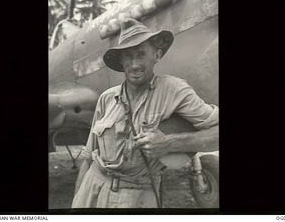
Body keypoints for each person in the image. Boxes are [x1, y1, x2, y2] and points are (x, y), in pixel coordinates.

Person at [72, 18, 219, 208]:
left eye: (141, 54)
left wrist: (169, 143)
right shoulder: (106, 98)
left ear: (156, 56)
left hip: (138, 197)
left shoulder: (175, 90)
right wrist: (76, 202)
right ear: (121, 61)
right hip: (91, 190)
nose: (134, 64)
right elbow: (88, 157)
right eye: (128, 56)